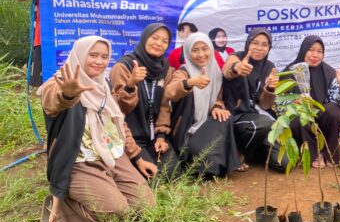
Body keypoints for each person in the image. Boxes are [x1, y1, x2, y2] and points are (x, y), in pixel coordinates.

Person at [39, 36, 155, 222]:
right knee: (116, 212)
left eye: (104, 56)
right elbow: (52, 101)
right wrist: (68, 95)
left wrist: (137, 156)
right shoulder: (60, 82)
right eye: (93, 55)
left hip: (112, 155)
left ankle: (106, 186)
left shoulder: (103, 85)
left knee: (146, 208)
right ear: (80, 55)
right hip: (79, 161)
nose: (99, 62)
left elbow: (117, 124)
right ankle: (63, 210)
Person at [164, 33, 246, 178]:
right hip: (185, 133)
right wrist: (189, 83)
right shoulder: (184, 71)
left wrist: (216, 107)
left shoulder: (215, 71)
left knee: (224, 117)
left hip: (203, 126)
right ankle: (202, 163)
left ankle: (220, 164)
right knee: (205, 162)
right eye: (195, 50)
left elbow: (217, 99)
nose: (201, 54)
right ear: (188, 52)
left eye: (204, 49)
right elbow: (170, 92)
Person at [110, 23, 178, 175]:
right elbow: (119, 110)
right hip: (130, 139)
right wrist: (130, 84)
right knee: (152, 178)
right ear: (145, 38)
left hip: (154, 139)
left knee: (174, 173)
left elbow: (164, 105)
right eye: (155, 38)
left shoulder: (165, 68)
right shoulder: (124, 66)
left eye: (164, 41)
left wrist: (161, 136)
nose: (159, 44)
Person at [221, 28, 287, 172]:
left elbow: (265, 104)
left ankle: (252, 152)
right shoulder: (236, 57)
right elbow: (227, 70)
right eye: (255, 43)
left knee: (284, 163)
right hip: (234, 115)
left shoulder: (269, 67)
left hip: (254, 116)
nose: (259, 48)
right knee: (264, 124)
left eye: (264, 45)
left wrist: (269, 89)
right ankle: (238, 152)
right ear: (248, 43)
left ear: (269, 48)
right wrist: (237, 68)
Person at [284, 36, 340, 167]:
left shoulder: (330, 72)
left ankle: (330, 152)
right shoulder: (289, 72)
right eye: (311, 50)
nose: (315, 55)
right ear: (303, 51)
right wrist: (293, 103)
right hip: (302, 119)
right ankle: (313, 154)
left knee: (336, 110)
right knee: (296, 116)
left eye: (320, 51)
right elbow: (279, 104)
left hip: (322, 117)